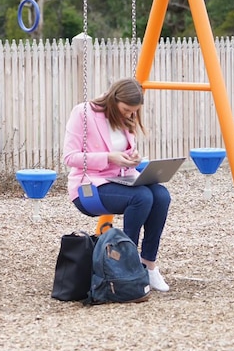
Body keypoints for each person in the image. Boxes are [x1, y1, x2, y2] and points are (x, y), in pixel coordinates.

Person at [63, 77, 171, 292]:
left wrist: (133, 157)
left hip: (121, 178)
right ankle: (126, 266)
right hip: (89, 186)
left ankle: (148, 265)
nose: (130, 115)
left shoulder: (124, 117)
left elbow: (124, 151)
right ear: (113, 100)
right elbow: (70, 157)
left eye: (134, 111)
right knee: (141, 197)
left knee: (161, 195)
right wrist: (109, 157)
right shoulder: (83, 113)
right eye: (127, 110)